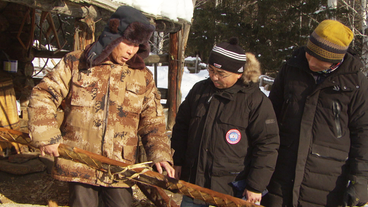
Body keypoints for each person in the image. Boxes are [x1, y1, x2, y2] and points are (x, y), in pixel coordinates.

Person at [27, 6, 174, 207]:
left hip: (120, 169)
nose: (131, 51)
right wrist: (46, 135)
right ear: (112, 36)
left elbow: (153, 121)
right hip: (80, 162)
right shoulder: (76, 62)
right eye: (128, 42)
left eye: (137, 45)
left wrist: (160, 154)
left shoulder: (142, 76)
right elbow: (43, 93)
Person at [262, 19, 368, 207]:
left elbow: (364, 134)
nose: (310, 61)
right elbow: (270, 116)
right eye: (309, 53)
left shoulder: (356, 84)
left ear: (337, 58)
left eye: (319, 58)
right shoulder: (291, 69)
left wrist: (361, 180)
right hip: (282, 173)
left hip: (327, 181)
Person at [171, 37, 280, 206]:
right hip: (195, 185)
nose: (214, 77)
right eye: (211, 70)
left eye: (221, 74)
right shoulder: (200, 91)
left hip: (231, 190)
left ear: (239, 73)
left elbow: (267, 145)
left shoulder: (256, 101)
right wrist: (178, 161)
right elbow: (182, 127)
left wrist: (256, 185)